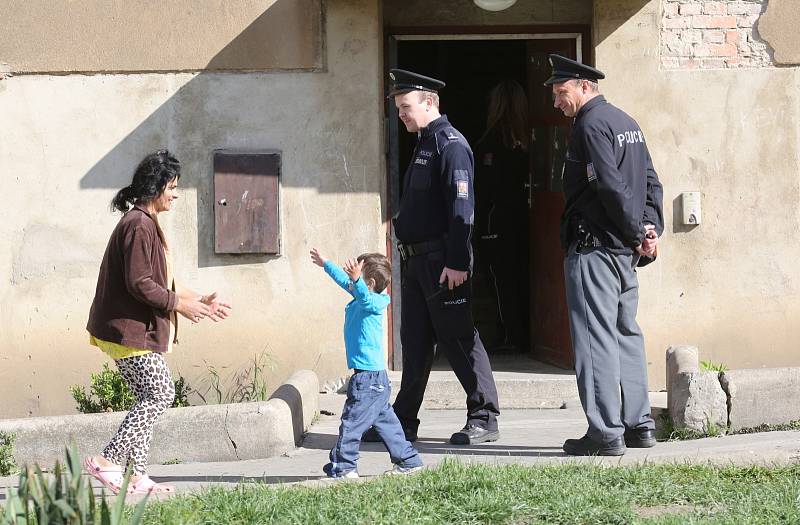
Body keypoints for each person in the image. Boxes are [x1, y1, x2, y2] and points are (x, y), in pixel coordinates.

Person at [364, 69, 500, 446]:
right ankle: (402, 420)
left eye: (406, 107)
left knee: (459, 339)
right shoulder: (425, 142)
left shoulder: (450, 145)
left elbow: (462, 209)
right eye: (398, 108)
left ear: (429, 103)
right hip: (417, 262)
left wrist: (457, 261)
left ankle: (484, 416)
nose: (402, 115)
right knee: (416, 341)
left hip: (443, 263)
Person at [84, 149, 231, 493]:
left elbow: (160, 281)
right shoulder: (137, 225)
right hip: (129, 331)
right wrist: (179, 305)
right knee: (160, 394)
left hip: (133, 330)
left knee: (147, 398)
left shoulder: (145, 223)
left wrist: (197, 301)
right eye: (173, 187)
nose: (176, 194)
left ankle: (137, 475)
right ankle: (107, 461)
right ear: (157, 186)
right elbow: (140, 284)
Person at [545, 55, 664, 456]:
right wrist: (650, 230)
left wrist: (636, 234)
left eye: (561, 93)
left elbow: (611, 187)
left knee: (595, 339)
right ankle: (639, 425)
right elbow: (651, 181)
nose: (557, 103)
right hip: (623, 252)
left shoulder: (590, 125)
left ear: (584, 86)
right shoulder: (625, 121)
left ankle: (605, 433)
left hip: (596, 249)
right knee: (625, 332)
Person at [310, 247, 423, 478]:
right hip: (375, 378)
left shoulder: (372, 303)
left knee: (351, 423)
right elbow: (347, 283)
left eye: (358, 278)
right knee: (388, 424)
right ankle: (409, 461)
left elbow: (360, 293)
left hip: (367, 379)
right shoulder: (364, 297)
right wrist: (326, 263)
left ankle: (344, 467)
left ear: (369, 283)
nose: (352, 282)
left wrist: (356, 282)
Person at [474, 79, 531, 352]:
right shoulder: (529, 140)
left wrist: (478, 226)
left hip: (496, 222)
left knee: (500, 279)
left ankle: (510, 335)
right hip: (523, 221)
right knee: (518, 277)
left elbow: (484, 189)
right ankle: (522, 334)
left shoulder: (492, 142)